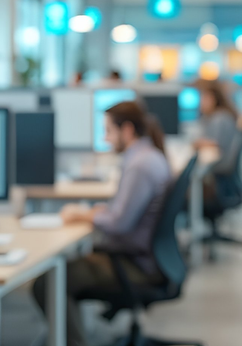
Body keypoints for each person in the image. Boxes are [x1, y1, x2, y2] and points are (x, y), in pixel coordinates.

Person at [34, 101, 172, 346]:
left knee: (48, 282)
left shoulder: (140, 165)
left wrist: (85, 215)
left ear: (127, 130)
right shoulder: (148, 156)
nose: (105, 139)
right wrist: (102, 212)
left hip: (133, 263)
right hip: (145, 258)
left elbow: (119, 224)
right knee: (62, 271)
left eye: (108, 131)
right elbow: (126, 213)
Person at [193, 81, 240, 201]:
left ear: (213, 99)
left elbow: (215, 143)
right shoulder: (221, 115)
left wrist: (197, 143)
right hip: (222, 168)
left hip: (219, 168)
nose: (201, 103)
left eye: (204, 98)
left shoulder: (219, 118)